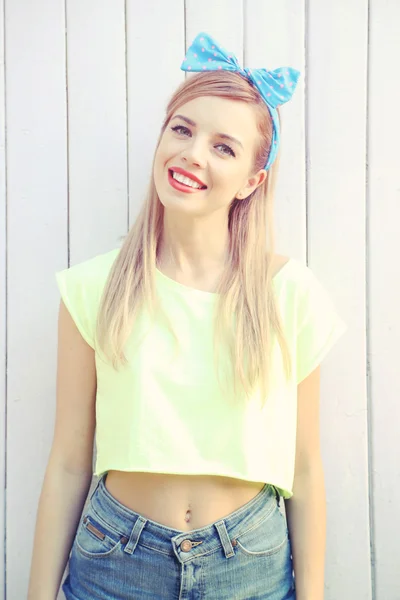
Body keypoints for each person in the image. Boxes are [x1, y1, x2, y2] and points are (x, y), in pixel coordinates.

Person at [28, 32, 346, 600]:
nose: (193, 154)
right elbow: (70, 461)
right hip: (114, 562)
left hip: (249, 564)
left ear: (253, 181)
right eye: (182, 128)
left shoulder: (289, 295)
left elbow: (305, 468)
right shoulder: (92, 290)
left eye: (224, 147)